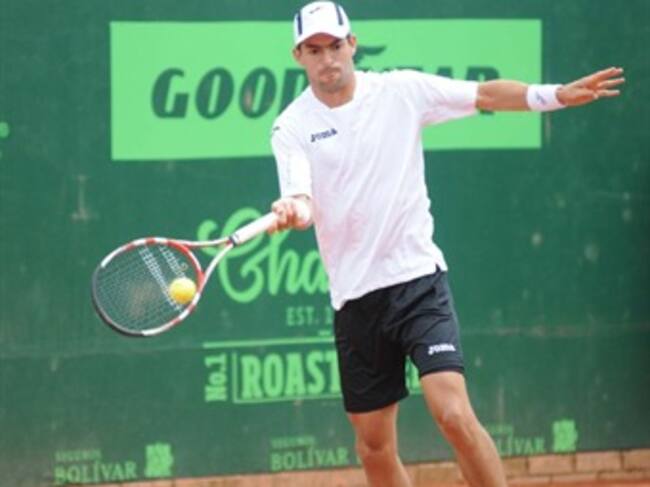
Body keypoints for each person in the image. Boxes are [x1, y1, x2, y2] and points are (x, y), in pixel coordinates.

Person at [267, 2, 624, 486]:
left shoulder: (400, 91)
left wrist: (555, 96)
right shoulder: (291, 127)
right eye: (314, 50)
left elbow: (485, 94)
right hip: (355, 299)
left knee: (453, 412)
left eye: (334, 46)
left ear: (352, 44)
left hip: (417, 281)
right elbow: (302, 201)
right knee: (373, 448)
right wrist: (293, 209)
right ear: (299, 56)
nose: (327, 58)